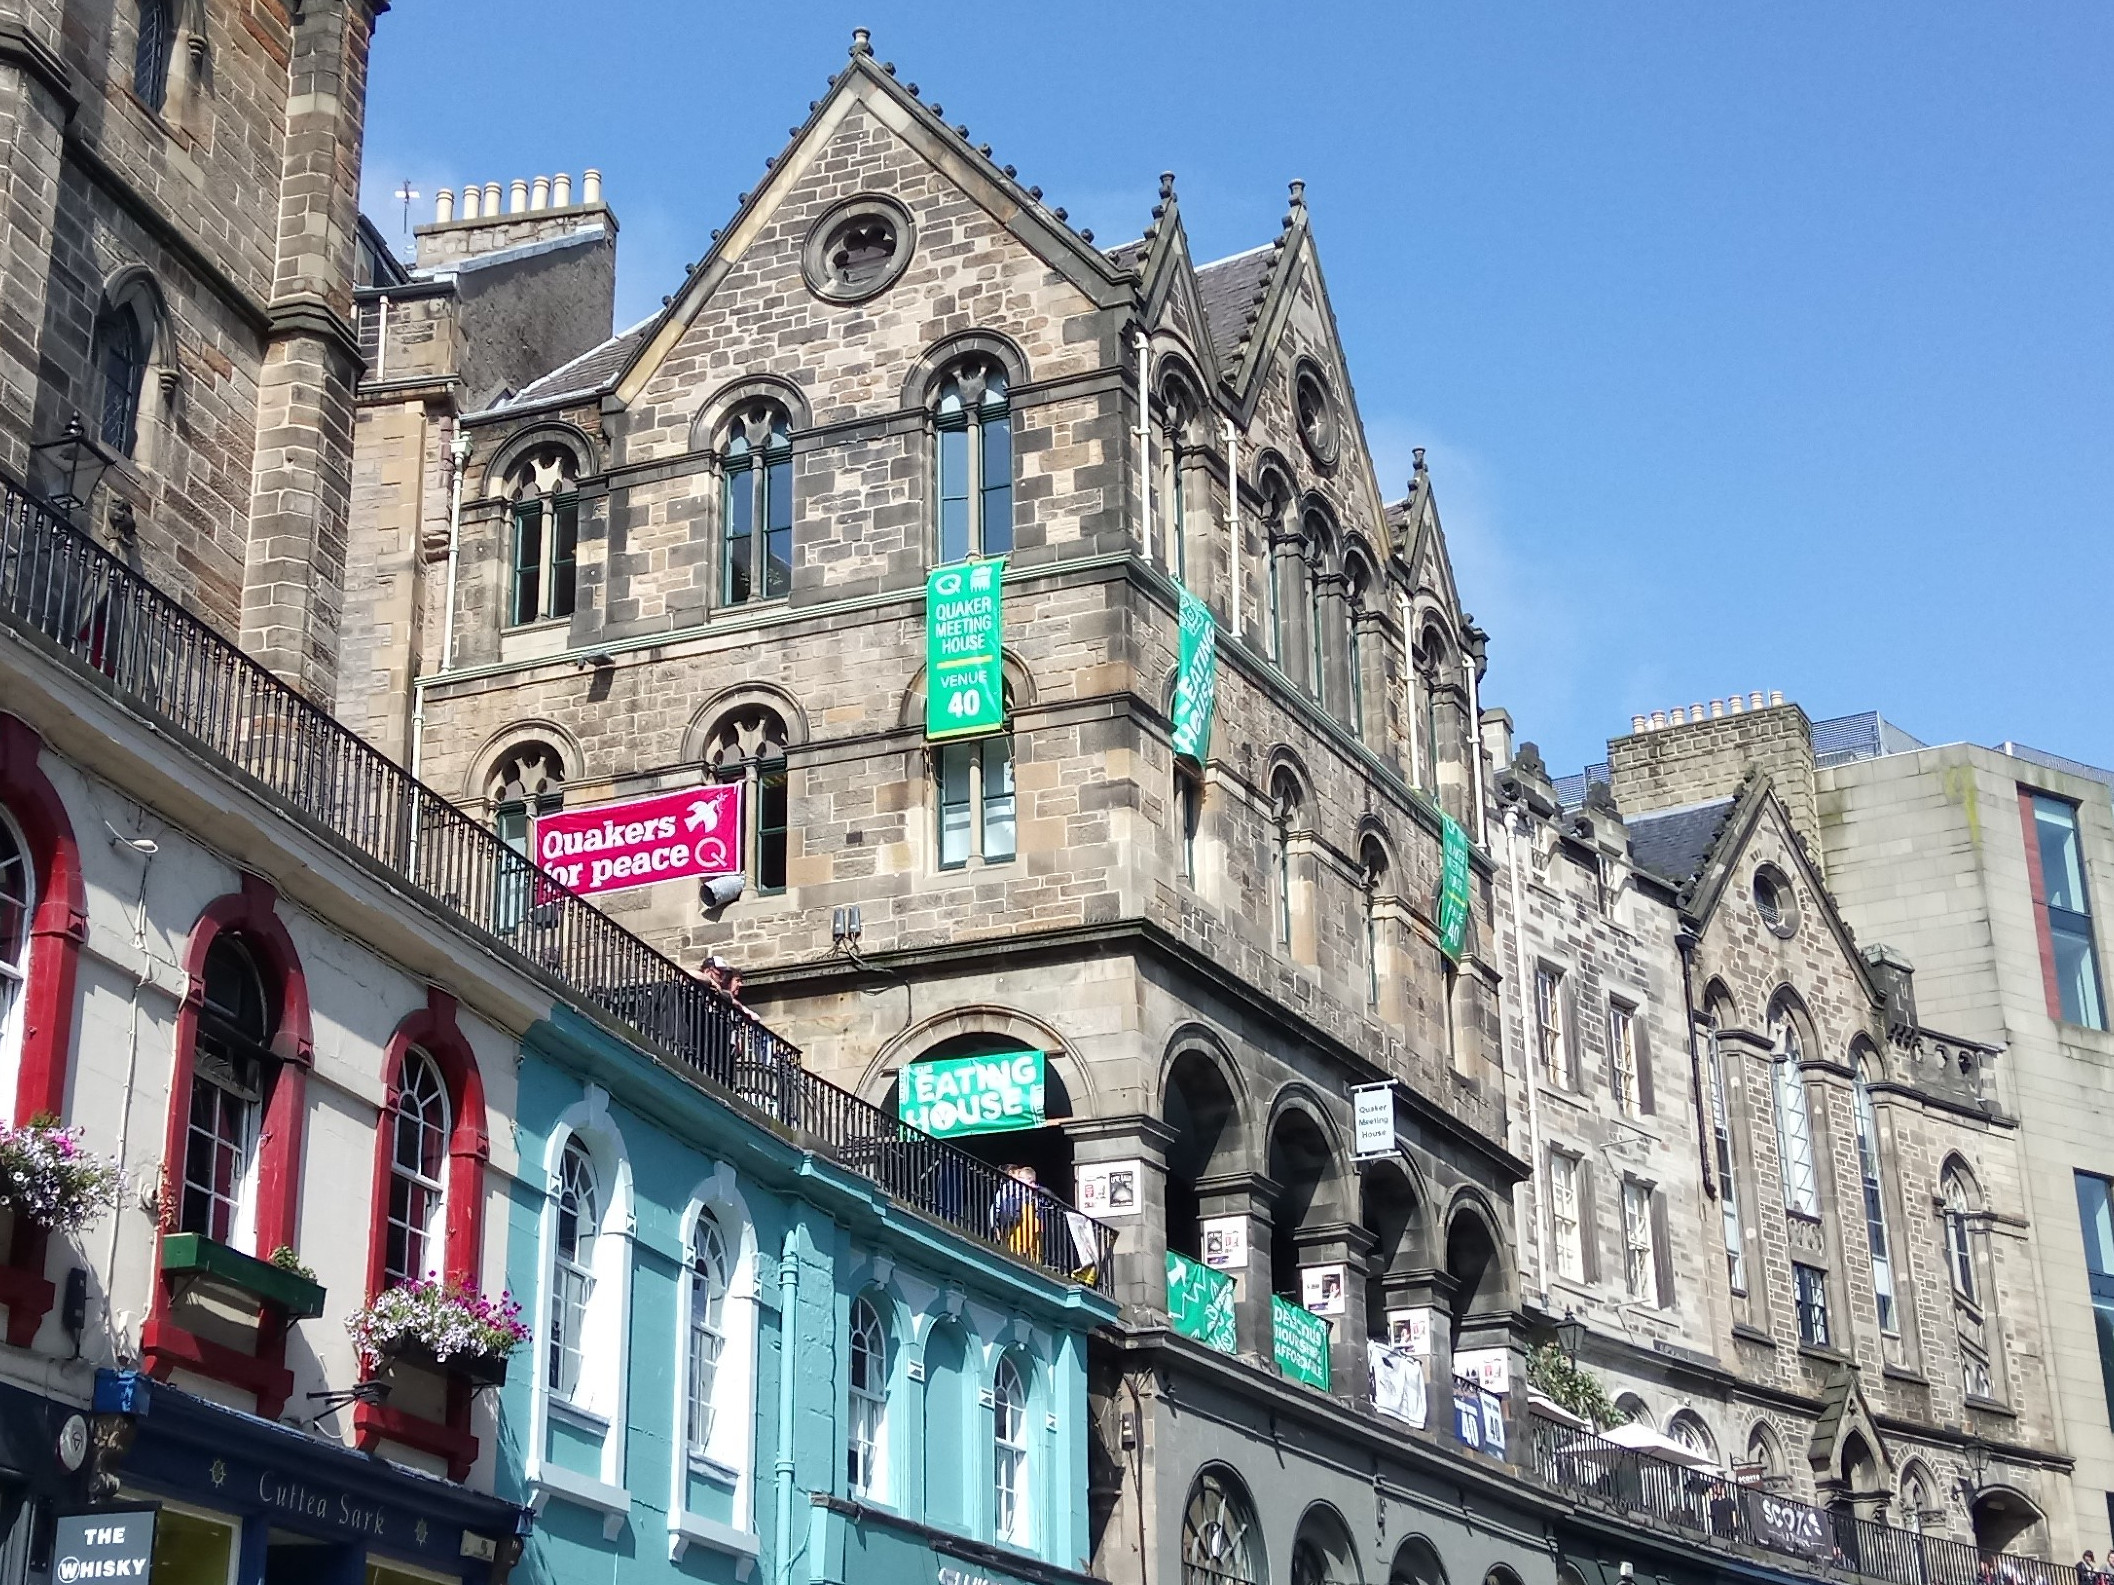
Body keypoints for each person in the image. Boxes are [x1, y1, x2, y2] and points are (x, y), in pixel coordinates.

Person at [992, 1163, 1045, 1261]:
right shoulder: (1009, 1191)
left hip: (1026, 1228)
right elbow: (997, 1209)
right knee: (1017, 1243)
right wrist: (996, 1227)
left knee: (1029, 1242)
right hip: (1015, 1225)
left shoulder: (1034, 1196)